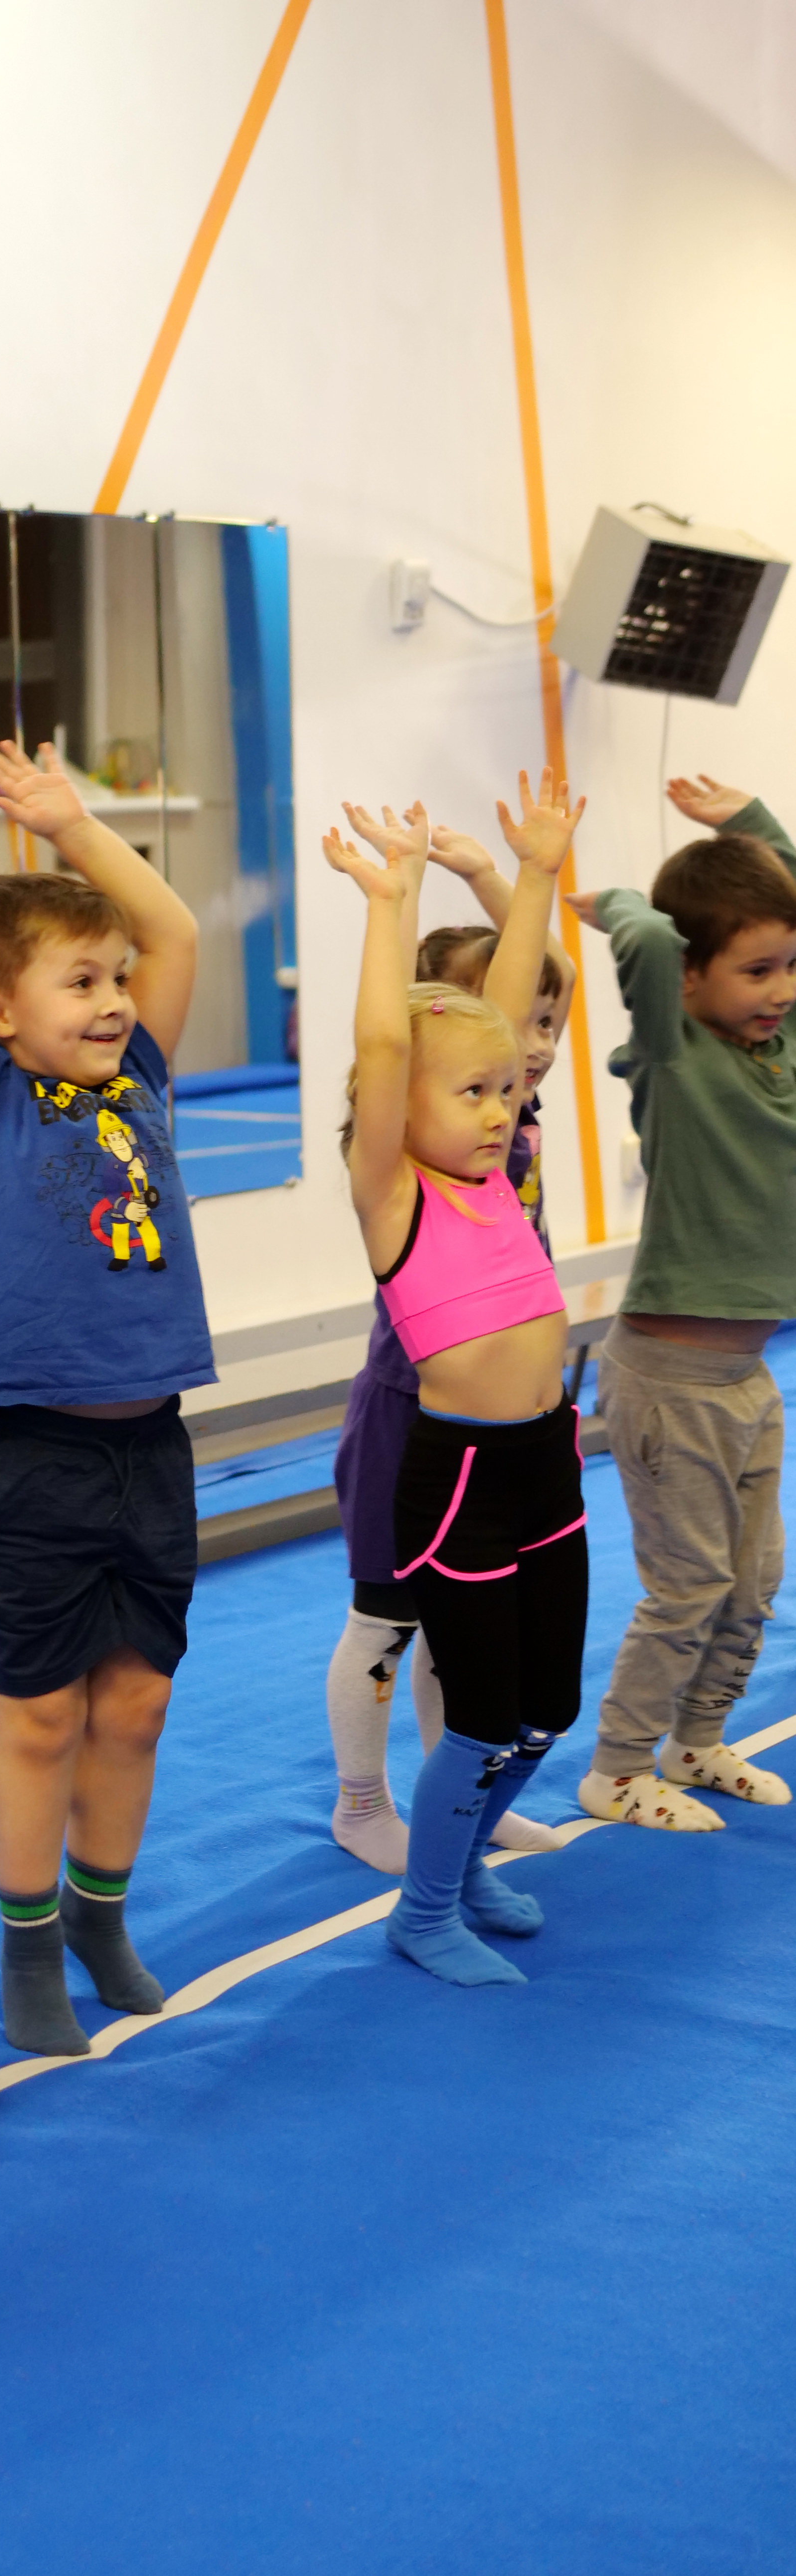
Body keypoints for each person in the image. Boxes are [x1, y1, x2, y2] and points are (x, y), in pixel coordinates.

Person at [0, 693, 216, 2060]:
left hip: (152, 1444)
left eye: (113, 981)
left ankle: (96, 1915)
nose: (116, 1000)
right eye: (80, 983)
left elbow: (174, 931)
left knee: (135, 1704)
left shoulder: (140, 1081)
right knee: (39, 1715)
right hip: (31, 1456)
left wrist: (73, 825)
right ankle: (26, 1945)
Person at [327, 768, 587, 1986]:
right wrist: (389, 903)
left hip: (545, 1459)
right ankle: (424, 1909)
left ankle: (463, 1859)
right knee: (479, 1715)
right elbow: (389, 1041)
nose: (497, 1111)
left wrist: (532, 873)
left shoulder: (495, 1167)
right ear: (394, 1109)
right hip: (462, 1475)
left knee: (545, 1710)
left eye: (505, 1089)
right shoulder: (396, 1194)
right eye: (470, 1093)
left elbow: (503, 1007)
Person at [566, 772, 796, 1829]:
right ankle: (617, 1767)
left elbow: (775, 920)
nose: (780, 989)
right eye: (756, 971)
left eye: (789, 965)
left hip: (747, 1374)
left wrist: (750, 828)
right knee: (691, 1582)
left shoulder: (778, 1052)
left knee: (753, 1583)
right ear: (693, 976)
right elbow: (654, 945)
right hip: (669, 1379)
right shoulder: (674, 1056)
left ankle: (696, 1741)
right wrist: (618, 904)